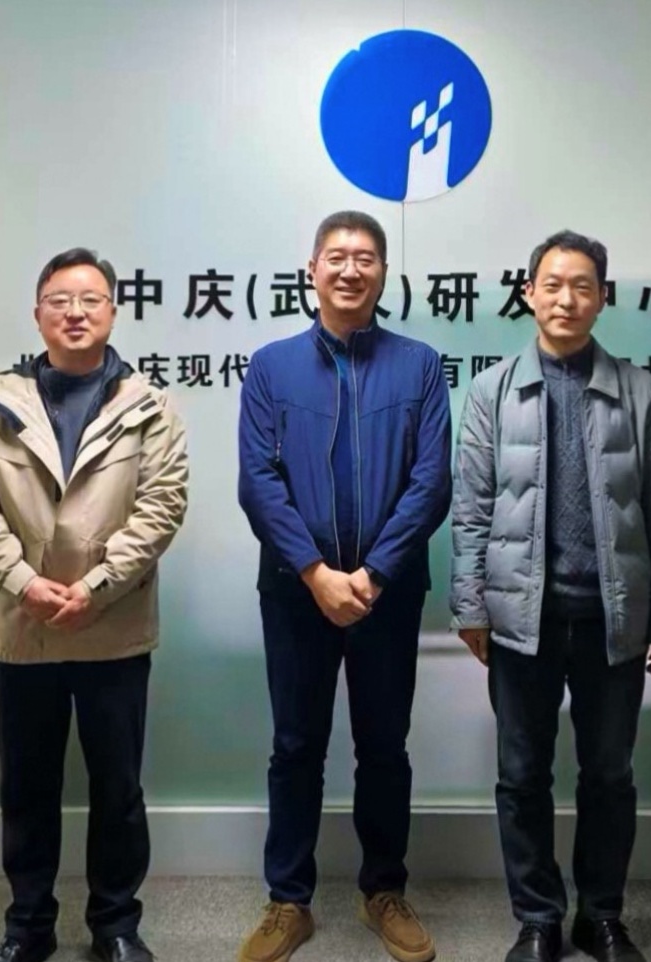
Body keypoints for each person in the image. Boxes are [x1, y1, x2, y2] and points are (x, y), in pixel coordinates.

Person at [450, 230, 651, 962]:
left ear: (602, 297)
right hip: (522, 618)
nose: (566, 298)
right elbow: (472, 508)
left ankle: (601, 915)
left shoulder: (638, 390)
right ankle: (537, 918)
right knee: (521, 775)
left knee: (609, 775)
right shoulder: (491, 389)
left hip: (613, 618)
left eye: (582, 285)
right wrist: (471, 605)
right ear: (528, 293)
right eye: (552, 284)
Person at [0, 248, 189, 962]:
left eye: (90, 300)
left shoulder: (149, 406)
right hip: (21, 628)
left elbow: (162, 505)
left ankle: (115, 925)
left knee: (118, 788)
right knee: (27, 787)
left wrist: (96, 586)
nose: (75, 312)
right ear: (38, 314)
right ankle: (28, 927)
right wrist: (23, 581)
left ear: (113, 311)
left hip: (112, 628)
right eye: (60, 300)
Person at [237, 210, 452, 962]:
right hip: (295, 588)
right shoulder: (272, 366)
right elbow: (258, 481)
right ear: (312, 269)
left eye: (365, 258)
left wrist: (375, 572)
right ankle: (287, 900)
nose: (350, 269)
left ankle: (383, 890)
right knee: (295, 745)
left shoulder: (419, 365)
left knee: (384, 745)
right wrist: (315, 572)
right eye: (336, 256)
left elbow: (430, 482)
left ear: (383, 273)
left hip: (387, 592)